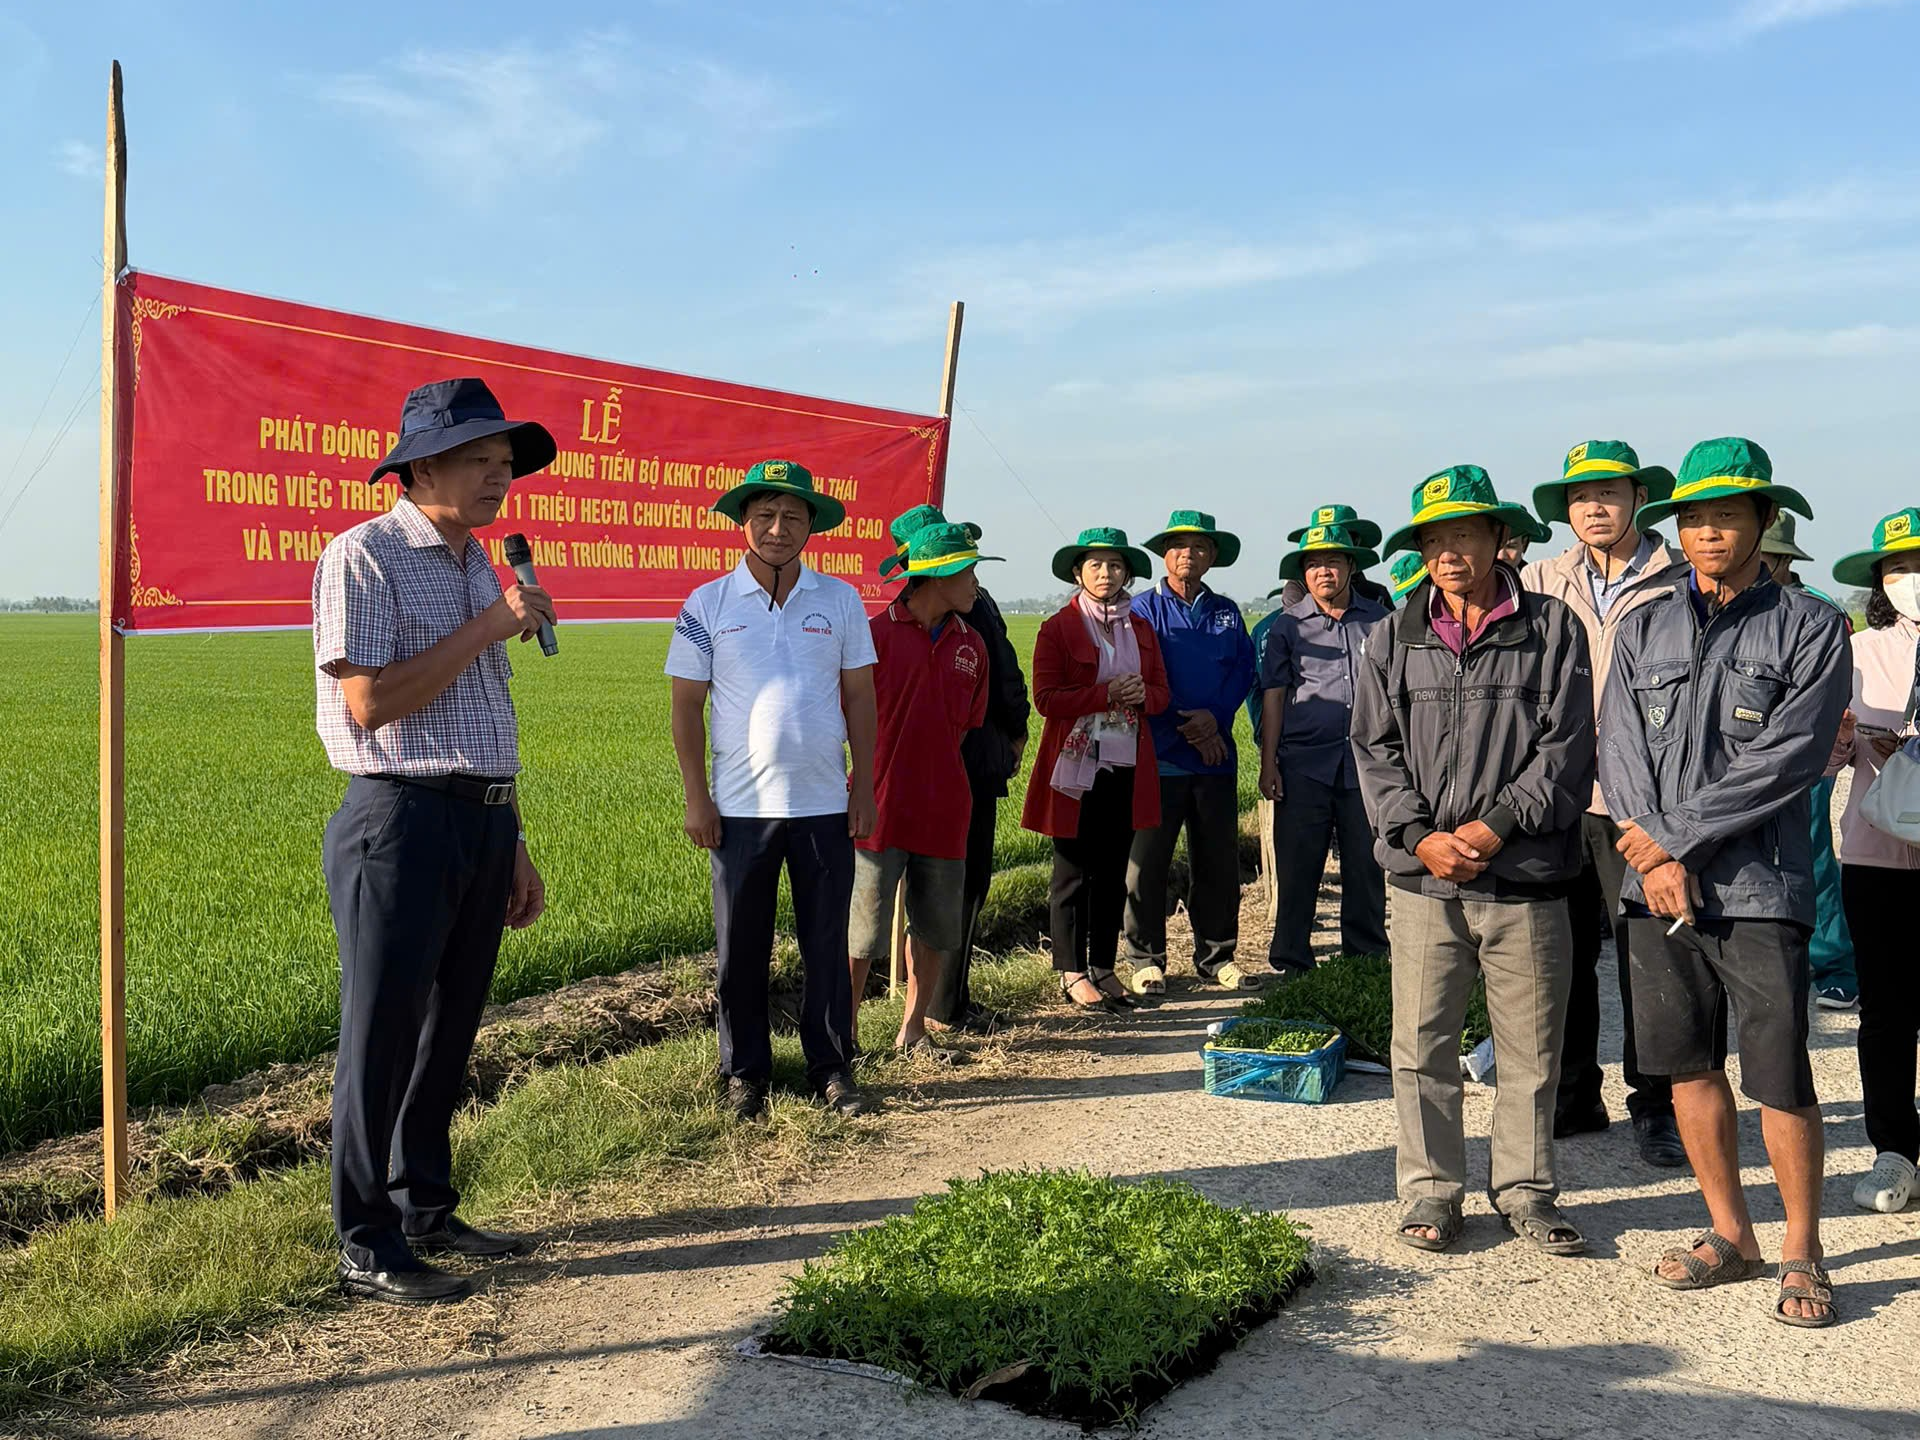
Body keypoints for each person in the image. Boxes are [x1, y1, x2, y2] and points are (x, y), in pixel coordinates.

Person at [313, 378, 557, 1305]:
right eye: (479, 461)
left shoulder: (477, 563)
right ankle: (365, 1240)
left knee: (448, 1029)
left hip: (481, 818)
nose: (500, 478)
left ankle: (423, 1206)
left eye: (506, 464)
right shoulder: (363, 556)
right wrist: (491, 624)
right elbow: (370, 704)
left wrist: (512, 837)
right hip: (400, 819)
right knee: (380, 1033)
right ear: (419, 469)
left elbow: (483, 715)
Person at [1601, 437, 1850, 1327]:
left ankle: (1802, 1249)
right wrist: (1652, 857)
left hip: (1758, 886)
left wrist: (1673, 841)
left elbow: (1790, 757)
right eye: (1695, 518)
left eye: (1728, 516)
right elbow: (1620, 748)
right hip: (1656, 890)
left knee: (1779, 1075)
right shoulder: (1644, 624)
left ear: (1763, 521)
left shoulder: (1811, 624)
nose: (1709, 532)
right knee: (1685, 1065)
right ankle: (1731, 1234)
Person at [1352, 465, 1594, 1258]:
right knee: (1422, 1045)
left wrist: (1495, 828)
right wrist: (1419, 836)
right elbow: (1375, 749)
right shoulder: (1394, 634)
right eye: (1434, 539)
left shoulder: (1552, 629)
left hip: (1525, 875)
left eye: (1464, 534)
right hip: (1424, 880)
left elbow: (1566, 749)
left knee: (1531, 1050)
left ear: (1499, 538)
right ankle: (1431, 1190)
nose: (1448, 553)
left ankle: (1526, 1192)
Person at [666, 460, 876, 1122]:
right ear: (743, 522)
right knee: (741, 950)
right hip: (739, 810)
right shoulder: (707, 604)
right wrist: (697, 798)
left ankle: (832, 1068)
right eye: (764, 515)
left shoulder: (839, 601)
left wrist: (864, 786)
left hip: (824, 804)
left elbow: (861, 697)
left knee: (826, 945)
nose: (777, 528)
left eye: (791, 516)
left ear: (811, 525)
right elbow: (685, 707)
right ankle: (745, 1074)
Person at [1523, 440, 1686, 1166]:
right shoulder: (1539, 579)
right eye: (1581, 495)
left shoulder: (1675, 578)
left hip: (1641, 799)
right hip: (1557, 794)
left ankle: (1655, 1103)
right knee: (1561, 954)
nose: (1595, 507)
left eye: (1610, 492)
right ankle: (1573, 1093)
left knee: (1648, 955)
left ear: (1638, 499)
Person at [877, 506, 1031, 1035]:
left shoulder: (962, 604)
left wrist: (1012, 732)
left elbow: (996, 675)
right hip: (957, 766)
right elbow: (1005, 675)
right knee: (955, 884)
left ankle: (943, 1002)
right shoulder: (934, 613)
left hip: (960, 759)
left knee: (952, 887)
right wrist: (1016, 732)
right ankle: (944, 1005)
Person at [847, 522, 994, 1057]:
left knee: (935, 928)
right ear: (936, 576)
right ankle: (844, 1034)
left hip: (946, 809)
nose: (975, 583)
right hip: (878, 805)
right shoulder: (871, 636)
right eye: (969, 571)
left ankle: (914, 1029)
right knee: (862, 931)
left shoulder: (972, 645)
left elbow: (967, 726)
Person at [1023, 527, 1170, 1013]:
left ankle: (1104, 966)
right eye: (1096, 565)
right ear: (1078, 573)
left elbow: (1162, 693)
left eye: (1115, 565)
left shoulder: (1141, 629)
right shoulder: (1058, 628)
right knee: (1072, 871)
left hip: (1125, 764)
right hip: (1075, 767)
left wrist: (1142, 696)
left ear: (1127, 573)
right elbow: (1046, 699)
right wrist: (1105, 694)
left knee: (1111, 872)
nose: (1106, 573)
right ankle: (1072, 970)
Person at [1826, 507, 1920, 1214]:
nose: (1911, 578)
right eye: (1899, 567)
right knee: (1886, 1010)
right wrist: (1846, 738)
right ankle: (1893, 1149)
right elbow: (1825, 761)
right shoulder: (1858, 653)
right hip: (1877, 856)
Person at [1124, 511, 1257, 993]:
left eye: (1199, 547)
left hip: (1216, 759)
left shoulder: (1227, 612)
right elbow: (1142, 677)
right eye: (1179, 545)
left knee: (1218, 861)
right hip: (1160, 756)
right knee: (1147, 864)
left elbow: (1243, 669)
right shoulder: (1142, 611)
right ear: (1165, 554)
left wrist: (1215, 719)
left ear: (1213, 556)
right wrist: (1193, 726)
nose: (1189, 554)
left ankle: (1217, 956)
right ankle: (1146, 959)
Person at [1256, 521, 1390, 975]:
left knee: (1365, 866)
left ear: (1351, 566)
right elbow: (1274, 695)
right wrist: (1269, 763)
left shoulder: (1379, 621)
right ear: (1303, 574)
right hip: (1303, 765)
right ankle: (1292, 962)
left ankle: (1365, 962)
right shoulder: (1287, 627)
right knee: (1298, 867)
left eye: (1333, 561)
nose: (1323, 571)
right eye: (1313, 564)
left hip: (1366, 767)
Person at [1761, 512, 1860, 1011]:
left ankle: (1835, 965)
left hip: (1807, 753)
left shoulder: (1819, 611)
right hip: (1741, 754)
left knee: (1814, 852)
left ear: (1783, 560)